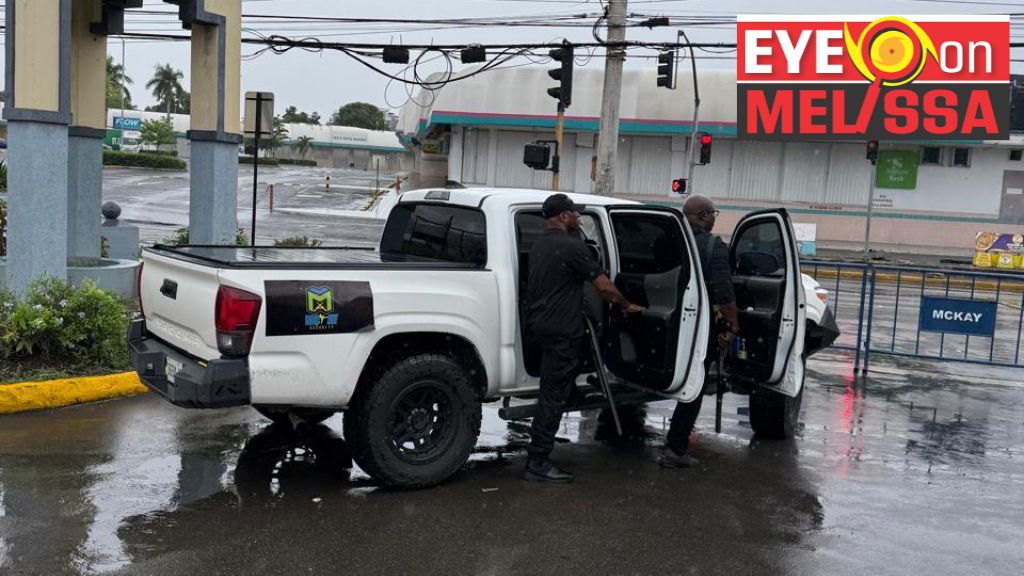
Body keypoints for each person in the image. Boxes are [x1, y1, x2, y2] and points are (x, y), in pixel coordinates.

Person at [524, 193, 644, 483]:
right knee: (552, 395)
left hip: (541, 326)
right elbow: (603, 287)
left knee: (556, 387)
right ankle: (537, 462)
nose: (578, 218)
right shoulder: (572, 247)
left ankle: (545, 440)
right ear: (564, 217)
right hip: (562, 331)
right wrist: (626, 305)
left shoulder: (540, 244)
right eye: (574, 214)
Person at [660, 194, 740, 469]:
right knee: (695, 382)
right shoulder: (713, 246)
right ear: (705, 216)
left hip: (665, 319)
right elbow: (723, 291)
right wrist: (732, 324)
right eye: (713, 213)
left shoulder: (668, 239)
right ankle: (676, 446)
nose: (715, 218)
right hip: (697, 325)